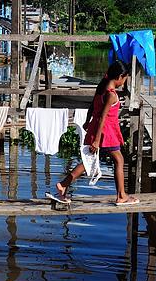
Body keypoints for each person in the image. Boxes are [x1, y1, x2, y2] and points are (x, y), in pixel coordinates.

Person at [54, 60, 138, 205]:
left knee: (88, 161)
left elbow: (92, 106)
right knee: (119, 160)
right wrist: (97, 140)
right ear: (120, 76)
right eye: (125, 78)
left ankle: (63, 185)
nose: (124, 82)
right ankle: (121, 196)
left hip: (98, 130)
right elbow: (102, 118)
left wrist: (87, 121)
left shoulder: (102, 89)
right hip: (106, 133)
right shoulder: (111, 94)